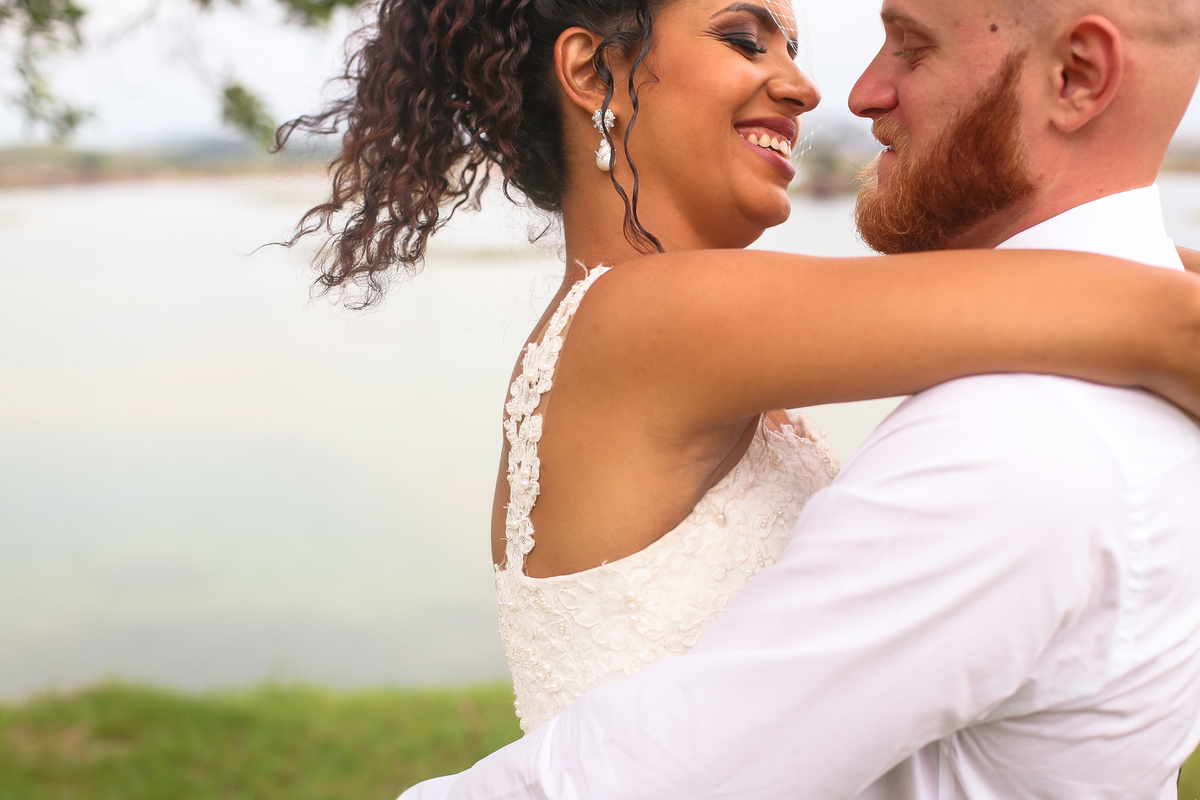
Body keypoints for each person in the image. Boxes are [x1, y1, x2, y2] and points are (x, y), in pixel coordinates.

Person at [384, 0, 1200, 797]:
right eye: (745, 39)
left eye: (794, 50)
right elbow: (1151, 317)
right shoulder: (650, 318)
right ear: (594, 73)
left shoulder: (673, 334)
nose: (807, 88)